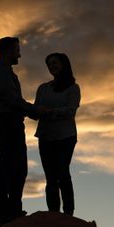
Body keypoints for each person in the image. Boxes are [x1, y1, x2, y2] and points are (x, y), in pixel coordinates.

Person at [0, 36, 45, 226]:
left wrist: (31, 112)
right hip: (7, 123)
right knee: (9, 169)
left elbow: (14, 102)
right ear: (9, 50)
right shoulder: (2, 72)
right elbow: (12, 100)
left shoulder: (7, 73)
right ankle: (6, 215)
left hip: (11, 123)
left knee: (17, 169)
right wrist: (35, 110)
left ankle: (13, 211)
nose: (19, 52)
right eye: (17, 49)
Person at [35, 52, 80, 215]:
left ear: (64, 65)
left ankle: (68, 213)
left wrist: (50, 112)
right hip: (45, 136)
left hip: (66, 136)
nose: (52, 66)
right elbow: (36, 110)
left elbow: (71, 110)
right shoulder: (43, 88)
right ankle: (53, 213)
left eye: (55, 63)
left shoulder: (73, 88)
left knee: (62, 173)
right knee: (50, 177)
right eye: (49, 64)